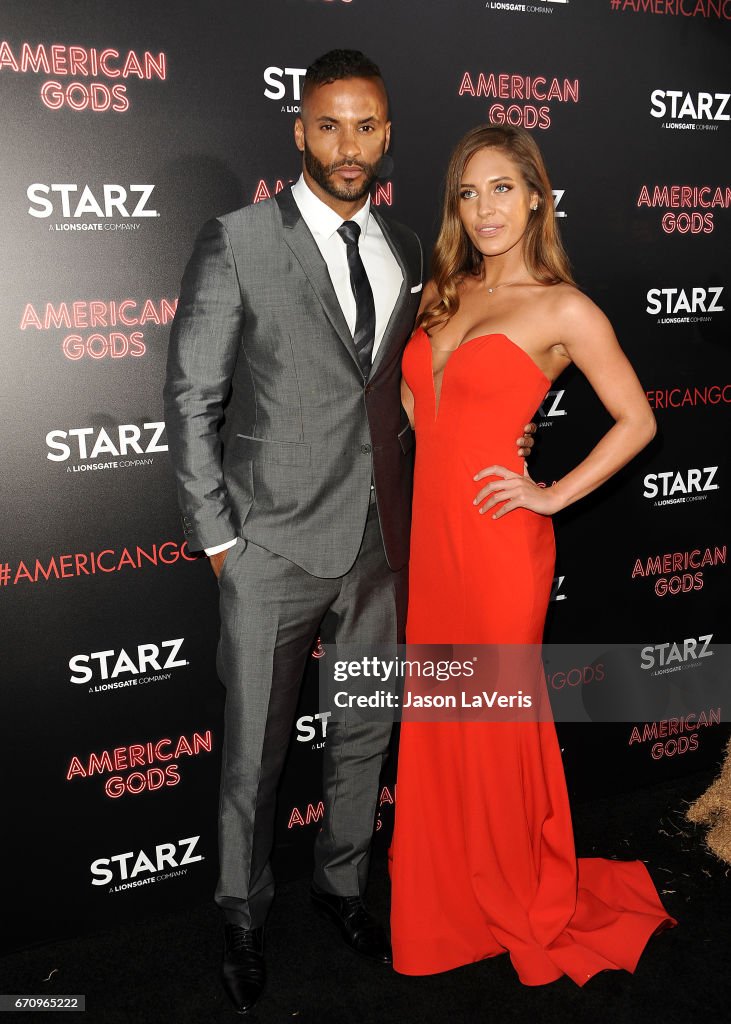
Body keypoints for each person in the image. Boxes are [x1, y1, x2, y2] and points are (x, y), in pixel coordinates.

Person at [165, 50, 537, 1012]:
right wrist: (220, 543)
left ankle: (341, 887)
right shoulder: (238, 239)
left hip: (382, 545)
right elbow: (192, 399)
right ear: (298, 131)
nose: (347, 144)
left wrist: (504, 426)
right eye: (328, 124)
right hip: (273, 547)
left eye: (365, 125)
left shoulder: (413, 248)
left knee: (366, 733)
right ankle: (241, 918)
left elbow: (427, 385)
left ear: (386, 134)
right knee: (253, 753)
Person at [389, 125, 676, 985]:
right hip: (433, 540)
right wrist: (459, 436)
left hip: (499, 544)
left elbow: (638, 420)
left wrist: (547, 492)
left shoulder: (563, 307)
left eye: (501, 189)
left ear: (535, 197)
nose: (483, 209)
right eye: (468, 193)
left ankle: (511, 886)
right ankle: (445, 894)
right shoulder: (444, 291)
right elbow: (414, 400)